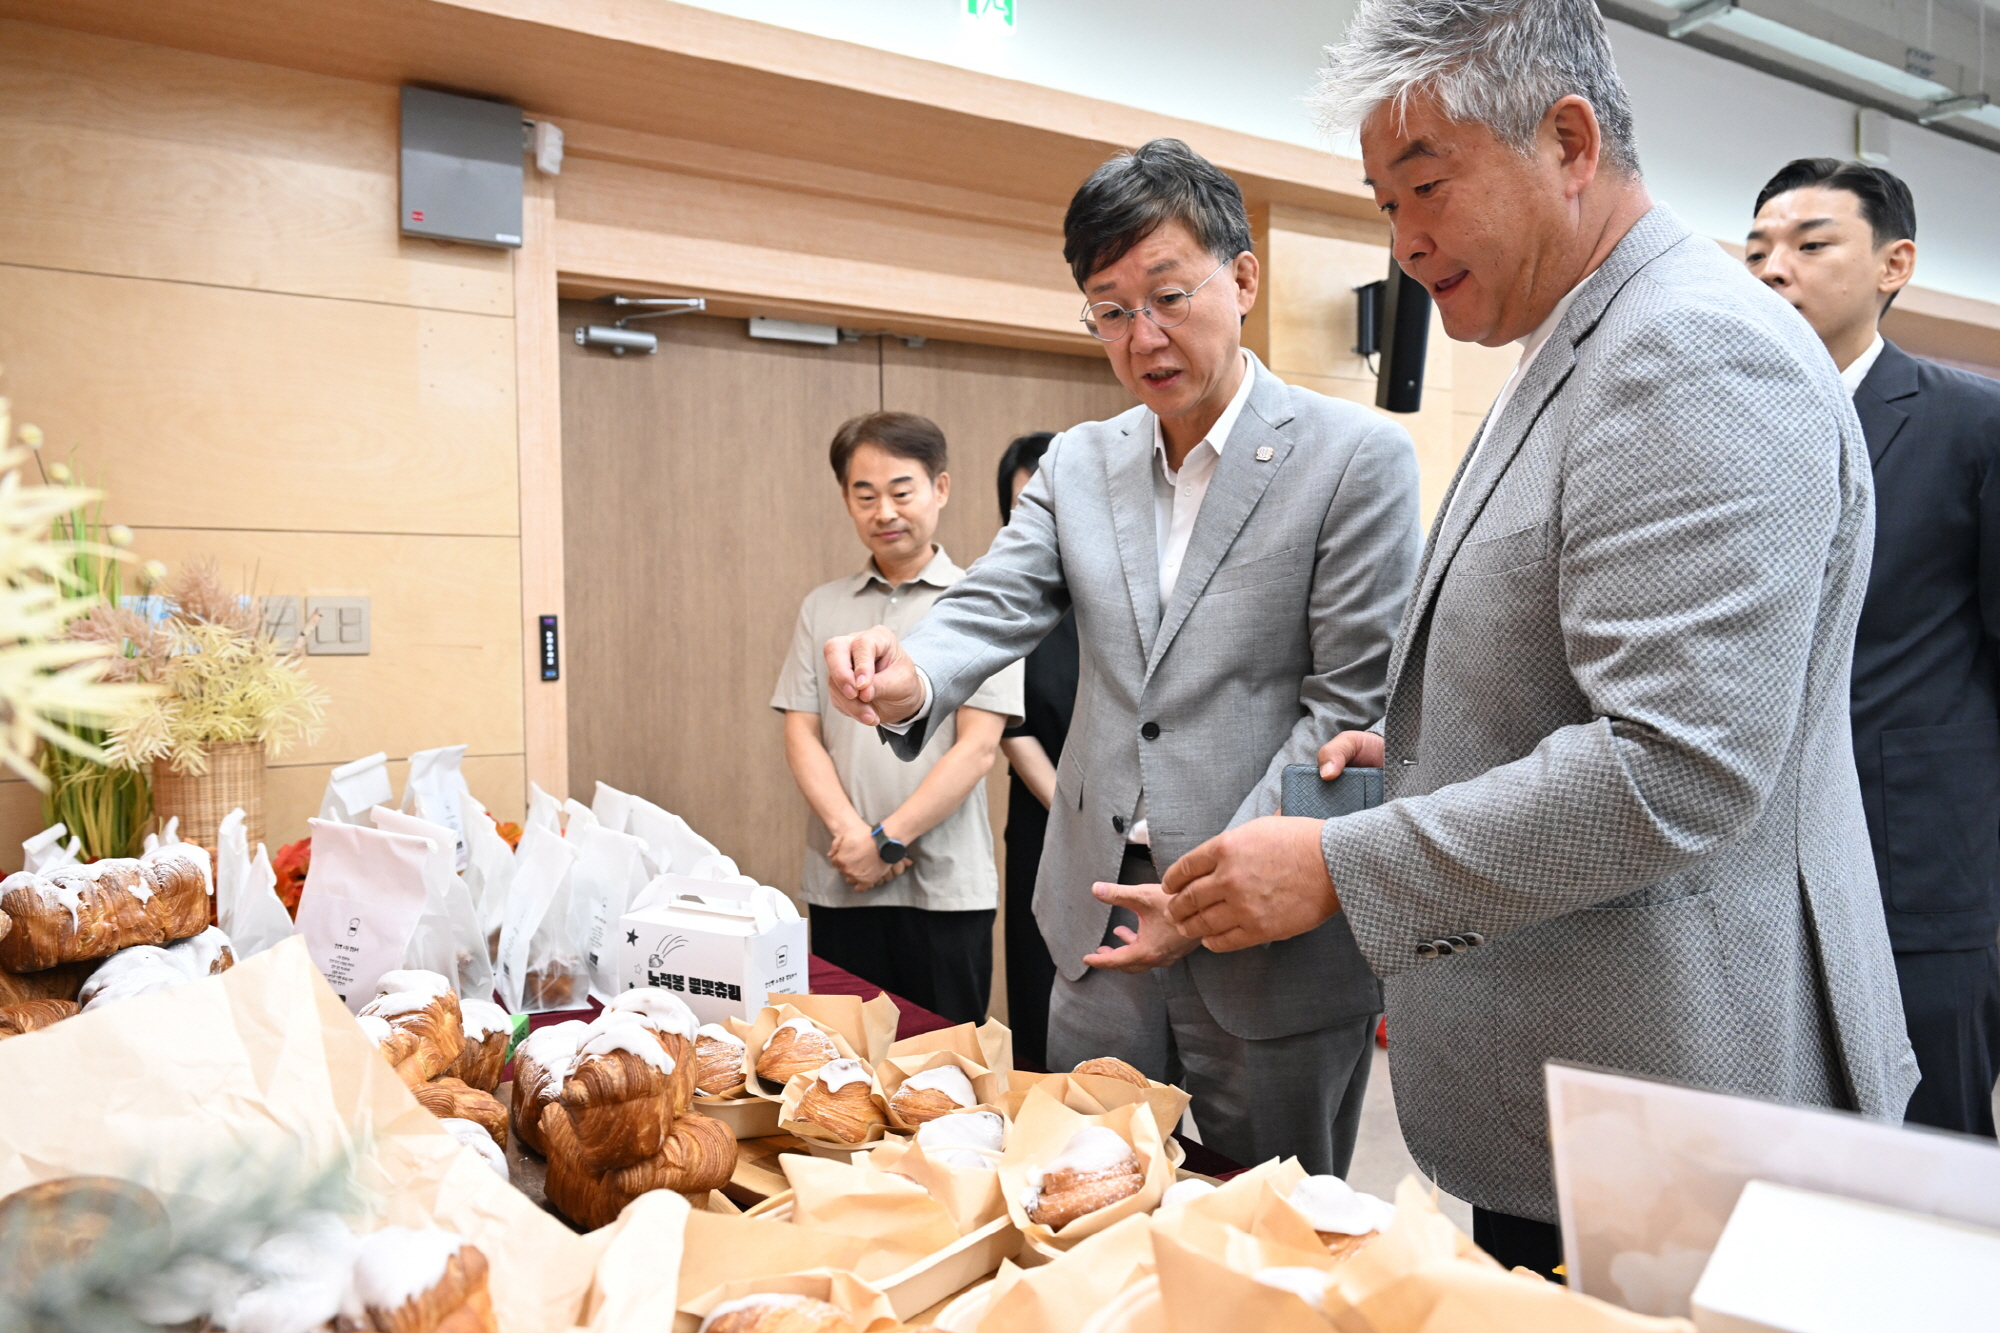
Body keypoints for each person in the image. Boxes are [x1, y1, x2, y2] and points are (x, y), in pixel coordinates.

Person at [1153, 0, 1918, 1277]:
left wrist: (1343, 866)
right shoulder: (1584, 336)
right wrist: (1431, 743)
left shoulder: (1686, 351)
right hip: (1591, 1088)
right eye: (1382, 203)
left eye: (1426, 187)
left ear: (1566, 142)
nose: (1403, 241)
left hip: (1679, 1096)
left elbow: (1675, 765)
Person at [821, 139, 1422, 1177]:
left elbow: (1346, 705)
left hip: (1264, 928)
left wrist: (1202, 892)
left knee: (1261, 1222)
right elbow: (998, 598)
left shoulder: (1353, 457)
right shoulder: (1080, 460)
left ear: (1242, 278)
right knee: (1084, 1197)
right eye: (1108, 309)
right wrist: (910, 673)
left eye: (1168, 297)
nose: (1142, 337)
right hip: (1097, 920)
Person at [1747, 158, 2000, 1139]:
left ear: (1894, 265)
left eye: (1810, 244)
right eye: (1757, 249)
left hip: (1917, 871)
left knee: (1927, 1151)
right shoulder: (1726, 428)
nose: (1775, 267)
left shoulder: (1970, 422)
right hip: (1746, 871)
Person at [772, 411, 1023, 1025]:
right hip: (842, 878)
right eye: (865, 496)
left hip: (947, 889)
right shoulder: (822, 606)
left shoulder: (985, 602)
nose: (884, 511)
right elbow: (801, 730)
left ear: (940, 488)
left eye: (901, 491)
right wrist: (853, 838)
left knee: (945, 1062)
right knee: (841, 1062)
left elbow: (977, 749)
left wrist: (887, 840)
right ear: (846, 500)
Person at [995, 431, 1074, 1071]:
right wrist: (1074, 812)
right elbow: (1012, 729)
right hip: (1044, 825)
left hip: (1136, 833)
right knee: (1039, 996)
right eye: (1024, 507)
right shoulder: (1010, 599)